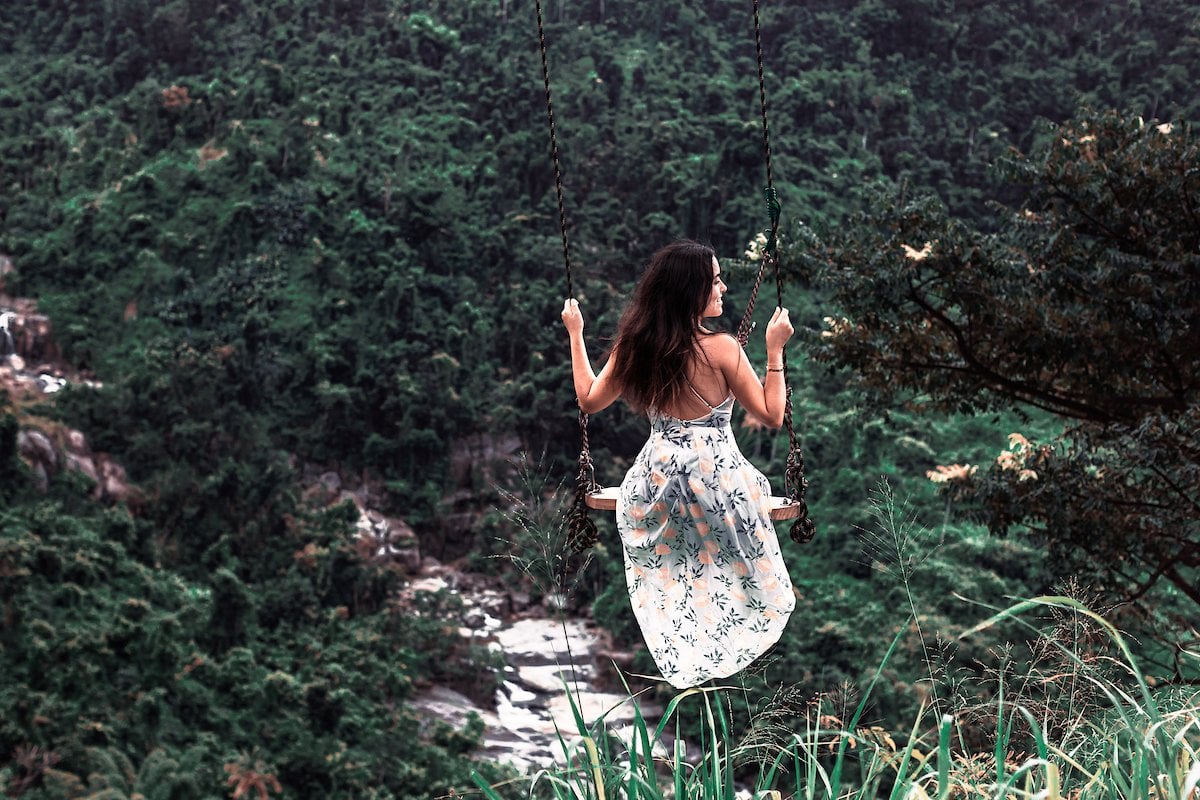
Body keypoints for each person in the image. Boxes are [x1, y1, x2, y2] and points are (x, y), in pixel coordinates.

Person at [561, 239, 797, 688]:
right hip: (716, 480)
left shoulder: (638, 345)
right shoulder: (723, 349)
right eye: (715, 281)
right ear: (692, 291)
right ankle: (720, 636)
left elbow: (589, 400)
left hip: (656, 480)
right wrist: (774, 351)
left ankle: (688, 637)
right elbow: (771, 415)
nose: (723, 288)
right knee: (739, 573)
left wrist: (576, 333)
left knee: (676, 571)